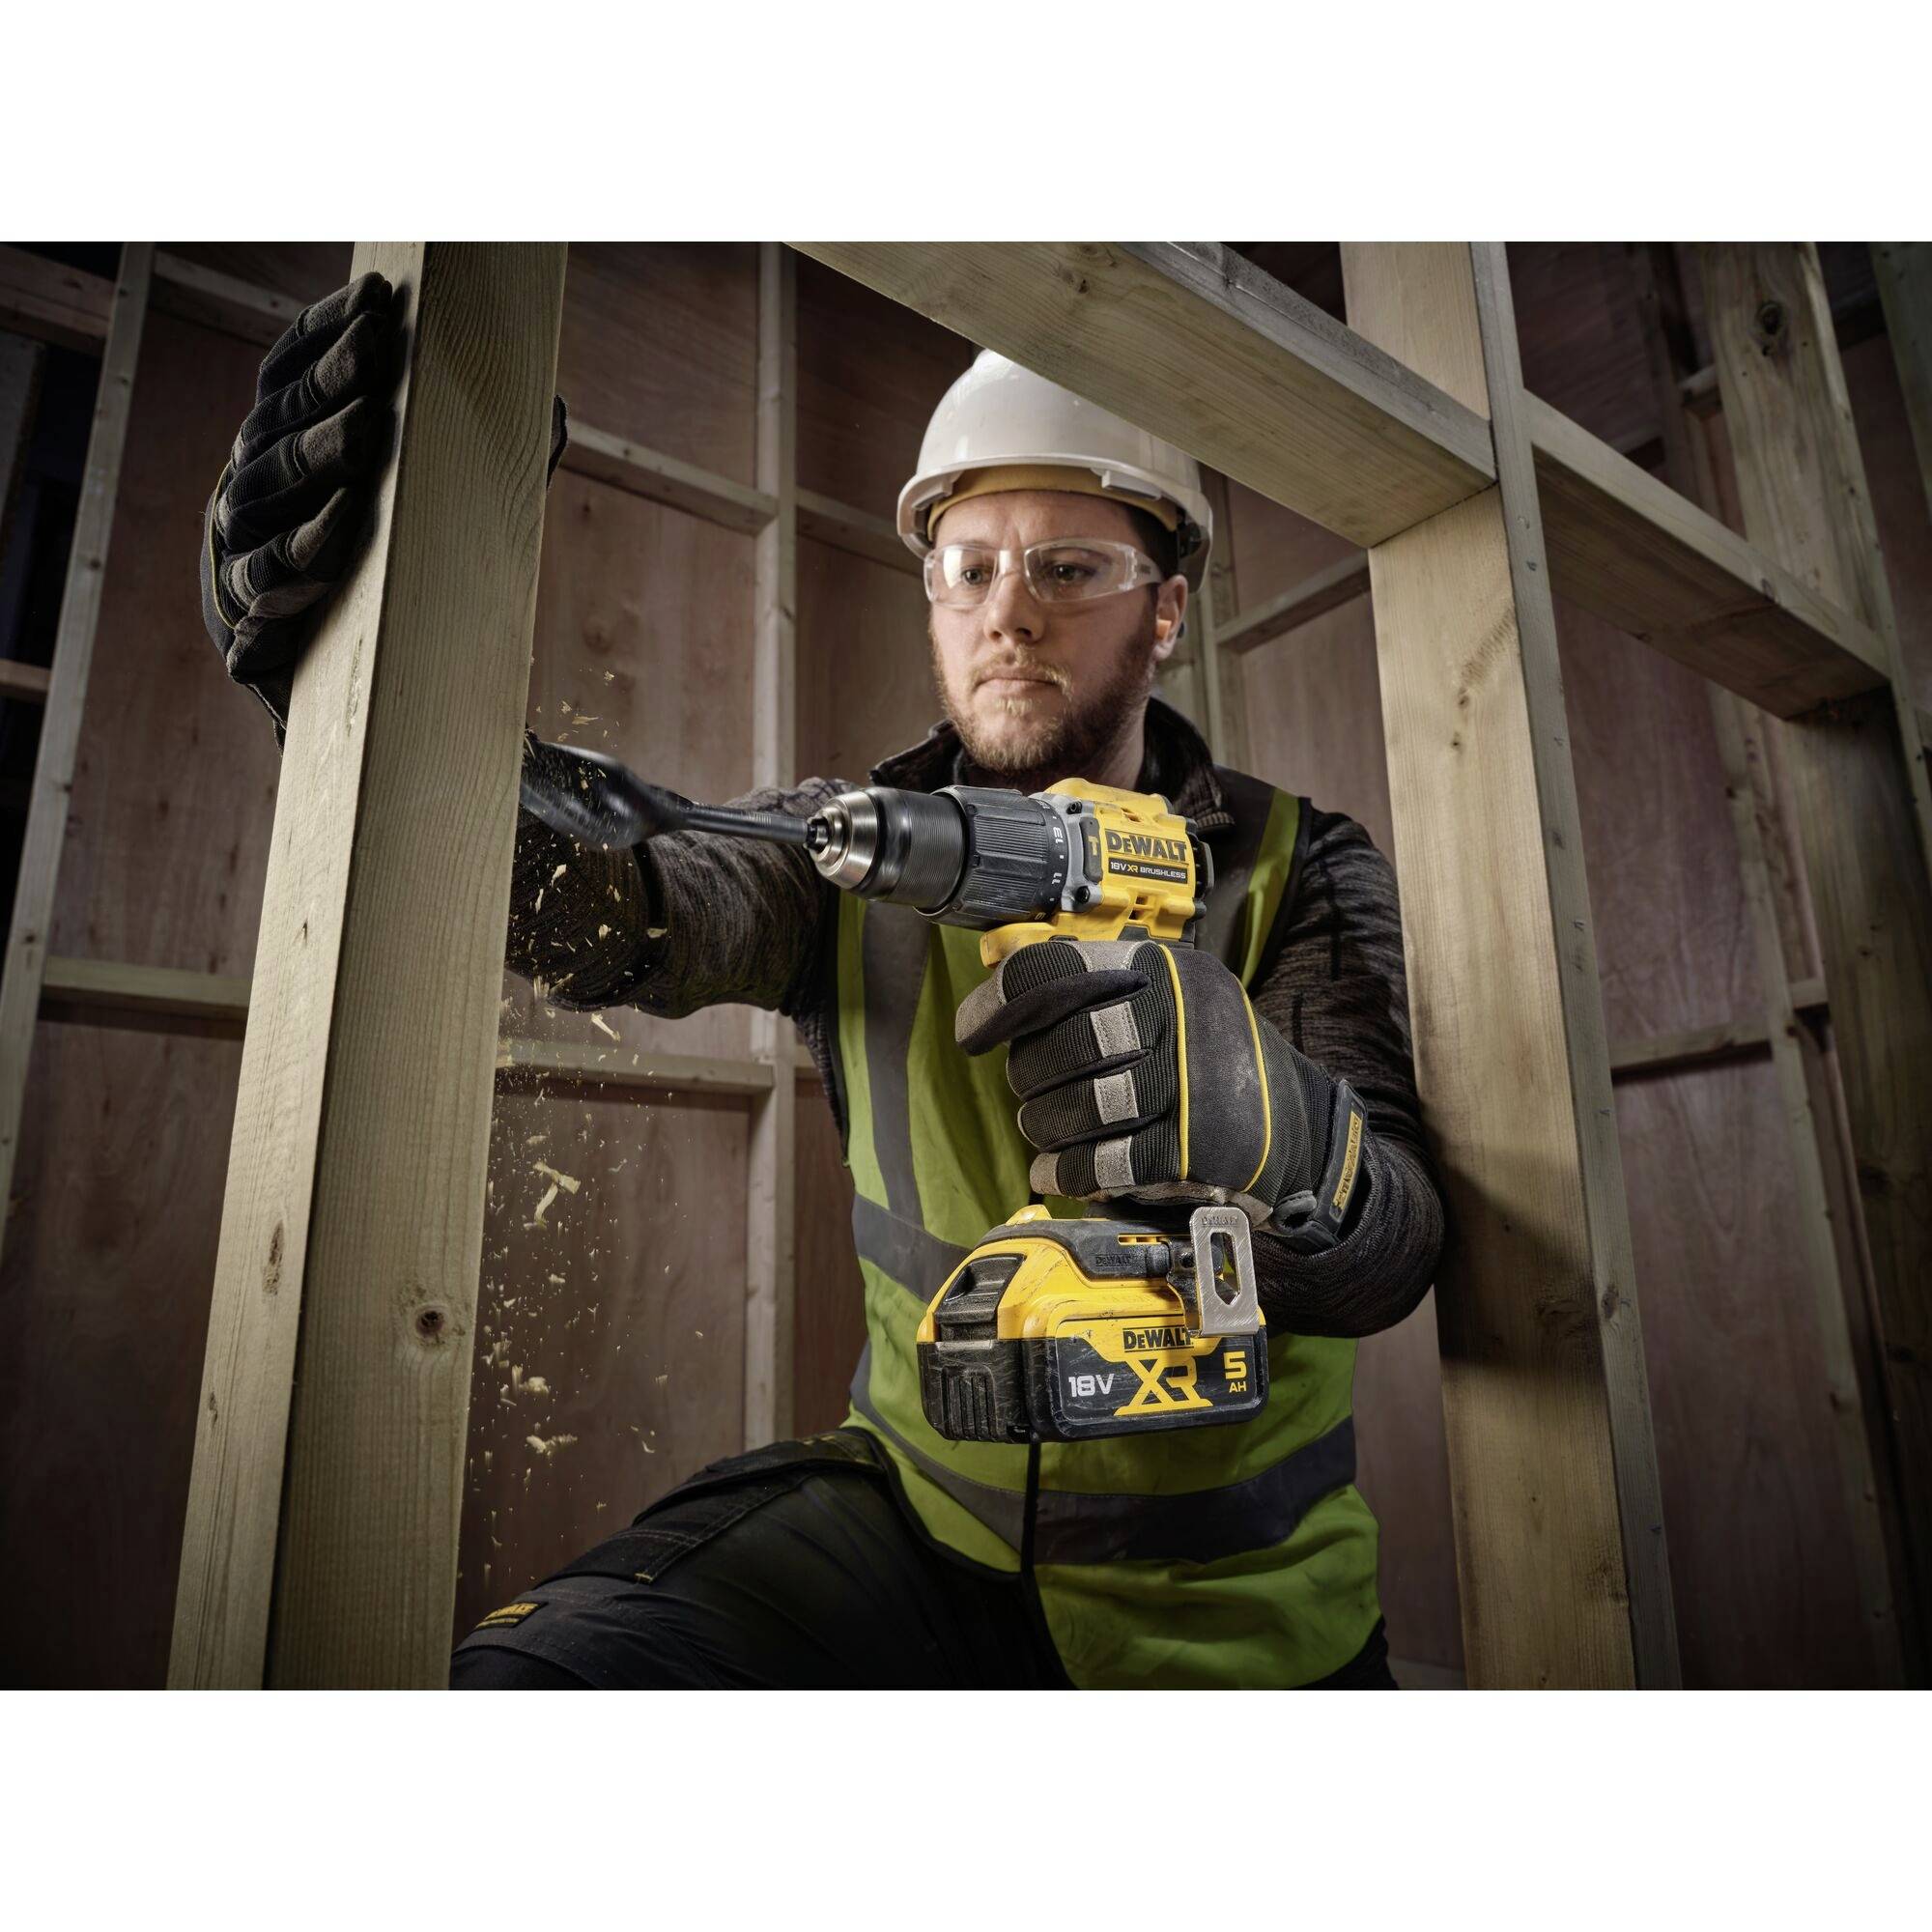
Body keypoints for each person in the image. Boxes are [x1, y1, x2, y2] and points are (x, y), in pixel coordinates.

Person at [201, 271, 1445, 1690]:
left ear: (1164, 612)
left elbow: (1395, 1250)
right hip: (926, 1524)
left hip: (1245, 1610)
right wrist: (360, 691)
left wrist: (1271, 1123)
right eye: (968, 567)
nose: (1008, 616)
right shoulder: (845, 850)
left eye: (1069, 569)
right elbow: (616, 898)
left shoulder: (1295, 864)